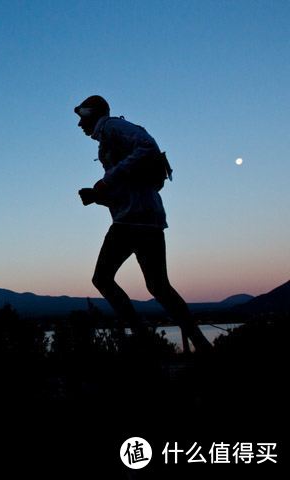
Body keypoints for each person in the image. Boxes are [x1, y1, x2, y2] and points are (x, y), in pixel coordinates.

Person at [74, 95, 211, 353]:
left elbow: (147, 146)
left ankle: (141, 338)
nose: (80, 125)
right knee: (159, 286)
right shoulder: (109, 136)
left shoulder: (112, 127)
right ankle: (201, 345)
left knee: (102, 278)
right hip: (147, 218)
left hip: (132, 220)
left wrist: (107, 181)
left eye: (82, 118)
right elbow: (129, 184)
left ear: (93, 115)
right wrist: (98, 197)